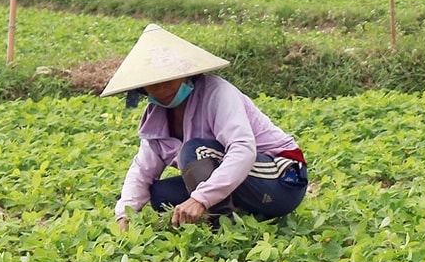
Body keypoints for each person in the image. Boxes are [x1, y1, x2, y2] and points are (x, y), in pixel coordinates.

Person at [104, 24, 308, 231]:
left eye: (169, 77)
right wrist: (124, 215)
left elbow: (243, 149)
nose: (161, 87)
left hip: (282, 179)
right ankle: (241, 215)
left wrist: (201, 199)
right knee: (161, 195)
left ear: (185, 72)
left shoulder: (217, 93)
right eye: (152, 82)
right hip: (248, 188)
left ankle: (220, 226)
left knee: (195, 150)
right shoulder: (155, 117)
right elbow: (142, 170)